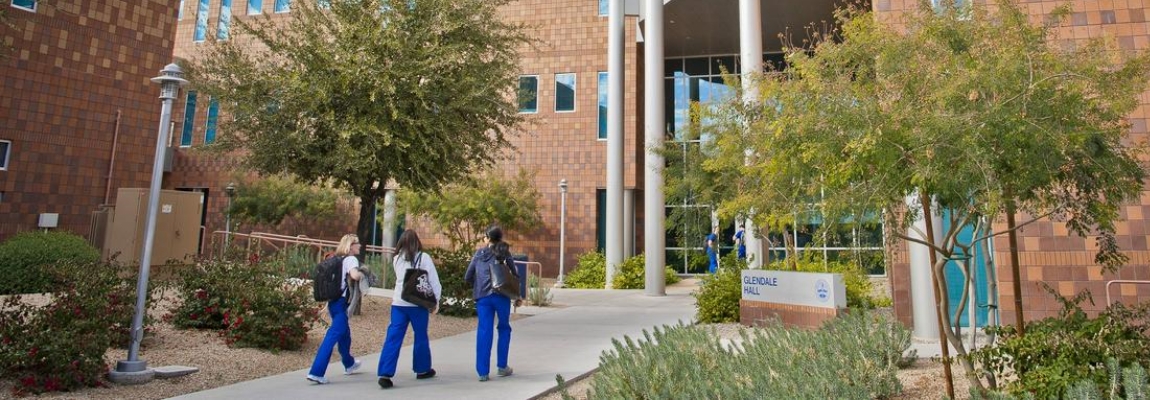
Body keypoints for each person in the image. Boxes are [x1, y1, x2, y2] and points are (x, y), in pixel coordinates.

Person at [377, 229, 442, 389]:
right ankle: (422, 369)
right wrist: (436, 301)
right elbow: (433, 281)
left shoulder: (397, 259)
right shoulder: (423, 257)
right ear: (417, 241)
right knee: (420, 336)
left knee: (393, 337)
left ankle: (385, 373)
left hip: (399, 302)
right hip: (418, 303)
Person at [465, 226, 522, 382]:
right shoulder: (504, 252)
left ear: (487, 238)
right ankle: (502, 366)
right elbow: (515, 275)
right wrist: (517, 294)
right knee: (504, 328)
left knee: (484, 330)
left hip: (482, 297)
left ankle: (482, 372)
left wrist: (477, 285)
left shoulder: (478, 254)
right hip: (501, 295)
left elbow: (467, 276)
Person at [306, 234, 365, 384]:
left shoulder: (337, 258)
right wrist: (364, 272)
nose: (360, 246)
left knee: (345, 335)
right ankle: (316, 372)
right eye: (357, 243)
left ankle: (349, 364)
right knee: (333, 335)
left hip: (334, 302)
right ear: (351, 245)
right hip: (341, 303)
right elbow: (355, 275)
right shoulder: (351, 259)